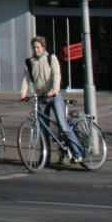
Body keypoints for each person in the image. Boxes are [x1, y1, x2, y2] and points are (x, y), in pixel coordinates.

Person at [19, 34, 84, 162]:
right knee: (43, 129)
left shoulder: (51, 58)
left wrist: (54, 90)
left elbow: (56, 75)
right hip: (41, 97)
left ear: (43, 47)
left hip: (54, 96)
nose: (36, 50)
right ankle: (45, 158)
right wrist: (23, 93)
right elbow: (26, 78)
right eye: (34, 47)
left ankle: (78, 153)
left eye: (38, 47)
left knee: (63, 125)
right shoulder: (29, 62)